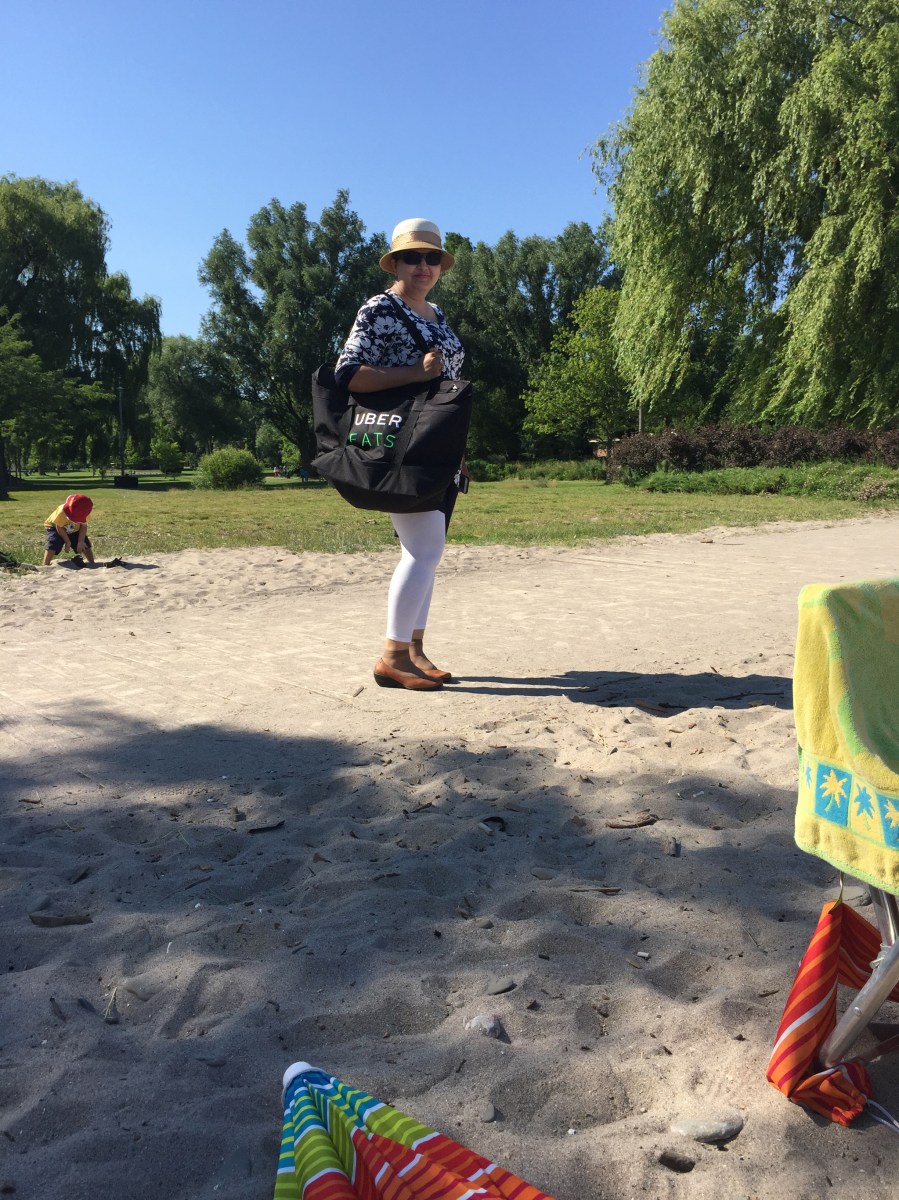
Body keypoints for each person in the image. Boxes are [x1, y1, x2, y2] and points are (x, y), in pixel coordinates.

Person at [335, 218, 466, 692]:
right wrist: (413, 371)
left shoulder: (438, 313)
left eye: (432, 257)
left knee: (431, 550)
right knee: (424, 547)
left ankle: (414, 649)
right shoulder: (379, 309)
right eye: (413, 257)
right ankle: (391, 655)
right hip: (398, 444)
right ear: (395, 262)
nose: (424, 265)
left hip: (437, 445)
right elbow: (348, 375)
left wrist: (458, 450)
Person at [43, 493, 95, 565]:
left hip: (74, 528)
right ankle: (46, 564)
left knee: (85, 543)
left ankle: (92, 563)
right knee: (54, 541)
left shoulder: (85, 513)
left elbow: (83, 526)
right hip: (55, 526)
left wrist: (80, 541)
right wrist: (67, 541)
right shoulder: (62, 512)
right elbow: (59, 526)